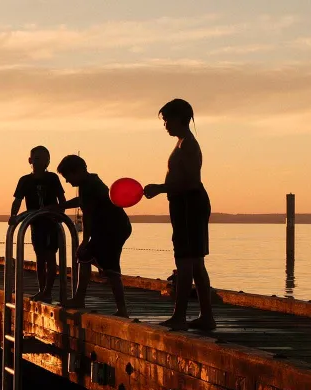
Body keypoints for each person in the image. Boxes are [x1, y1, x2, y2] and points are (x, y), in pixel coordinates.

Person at [144, 98, 216, 331]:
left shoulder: (188, 145)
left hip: (189, 204)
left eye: (167, 120)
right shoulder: (182, 143)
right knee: (195, 262)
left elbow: (191, 182)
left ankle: (180, 316)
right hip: (184, 203)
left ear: (179, 119)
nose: (165, 125)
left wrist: (159, 188)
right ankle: (205, 316)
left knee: (185, 261)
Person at [53, 155, 131, 317]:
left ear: (78, 171)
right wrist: (60, 206)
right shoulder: (88, 182)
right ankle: (80, 298)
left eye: (68, 177)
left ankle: (122, 310)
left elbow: (87, 215)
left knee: (111, 269)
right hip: (109, 228)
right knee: (85, 256)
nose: (67, 181)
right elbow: (81, 201)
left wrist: (84, 240)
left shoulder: (90, 185)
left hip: (113, 229)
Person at [9, 146, 66, 302]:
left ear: (49, 162)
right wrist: (13, 216)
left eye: (44, 159)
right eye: (37, 159)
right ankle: (42, 289)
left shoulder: (52, 178)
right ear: (30, 161)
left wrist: (61, 213)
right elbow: (17, 200)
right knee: (40, 257)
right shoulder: (25, 180)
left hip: (51, 222)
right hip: (35, 222)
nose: (40, 162)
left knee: (50, 256)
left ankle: (48, 291)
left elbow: (61, 198)